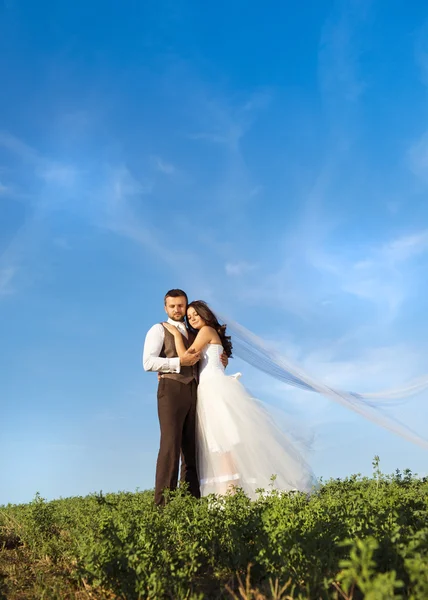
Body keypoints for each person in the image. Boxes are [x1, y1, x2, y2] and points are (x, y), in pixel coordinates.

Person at [163, 300, 316, 500]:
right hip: (210, 388)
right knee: (221, 444)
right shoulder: (208, 333)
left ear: (205, 314)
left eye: (195, 314)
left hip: (214, 391)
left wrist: (175, 334)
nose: (191, 318)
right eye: (189, 316)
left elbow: (186, 356)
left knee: (222, 444)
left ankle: (229, 494)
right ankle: (229, 492)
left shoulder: (206, 331)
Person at [142, 289, 227, 506]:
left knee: (192, 451)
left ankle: (190, 505)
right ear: (166, 308)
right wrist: (176, 363)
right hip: (171, 389)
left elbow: (206, 358)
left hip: (196, 391)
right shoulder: (158, 329)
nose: (178, 310)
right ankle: (161, 506)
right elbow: (148, 363)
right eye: (173, 306)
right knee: (170, 446)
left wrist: (221, 357)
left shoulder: (194, 332)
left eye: (181, 306)